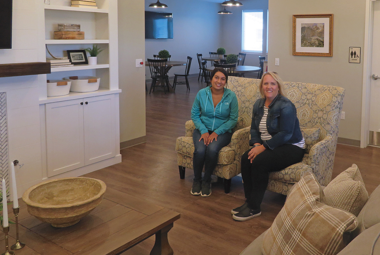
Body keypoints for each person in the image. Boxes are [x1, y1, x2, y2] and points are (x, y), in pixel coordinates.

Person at [231, 72, 305, 221]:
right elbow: (253, 128)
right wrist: (256, 144)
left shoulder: (286, 106)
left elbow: (286, 134)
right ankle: (249, 201)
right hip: (270, 145)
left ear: (278, 87)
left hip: (291, 146)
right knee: (246, 158)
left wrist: (262, 148)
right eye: (266, 83)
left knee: (259, 161)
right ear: (261, 86)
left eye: (272, 83)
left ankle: (254, 208)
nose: (269, 86)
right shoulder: (258, 104)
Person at [190, 68, 239, 197]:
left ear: (226, 82)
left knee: (212, 149)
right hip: (202, 130)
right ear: (211, 79)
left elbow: (233, 119)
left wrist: (217, 132)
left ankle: (207, 180)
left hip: (223, 132)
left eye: (223, 79)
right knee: (200, 150)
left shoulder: (231, 96)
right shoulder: (201, 93)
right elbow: (194, 114)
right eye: (216, 77)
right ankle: (197, 180)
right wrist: (204, 131)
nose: (219, 81)